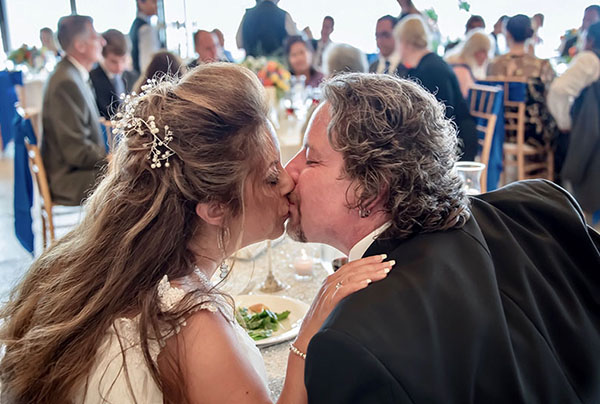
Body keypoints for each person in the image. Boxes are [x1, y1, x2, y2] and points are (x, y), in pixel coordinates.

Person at [0, 63, 391, 403]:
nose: (289, 182)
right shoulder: (194, 325)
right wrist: (305, 340)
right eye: (271, 178)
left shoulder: (98, 268)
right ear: (214, 208)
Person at [284, 72, 600, 403]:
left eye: (310, 158)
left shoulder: (349, 343)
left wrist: (301, 349)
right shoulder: (540, 205)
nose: (288, 170)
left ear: (371, 190)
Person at [40, 15, 107, 206]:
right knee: (136, 177)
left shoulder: (72, 74)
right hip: (69, 178)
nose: (102, 41)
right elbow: (76, 152)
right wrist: (113, 159)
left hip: (77, 170)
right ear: (80, 45)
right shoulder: (66, 82)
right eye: (96, 37)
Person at [395, 15, 477, 161]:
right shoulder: (426, 65)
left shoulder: (431, 69)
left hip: (456, 142)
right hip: (446, 135)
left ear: (405, 42)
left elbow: (444, 116)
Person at [488, 14, 557, 146]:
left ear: (507, 33)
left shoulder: (493, 64)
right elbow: (550, 100)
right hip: (531, 132)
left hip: (496, 129)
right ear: (530, 34)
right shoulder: (542, 66)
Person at [548, 21, 600, 179]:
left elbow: (559, 90)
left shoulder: (589, 59)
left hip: (588, 131)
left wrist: (564, 122)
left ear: (590, 40)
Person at [90, 29, 139, 119]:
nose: (119, 67)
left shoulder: (134, 77)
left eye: (123, 60)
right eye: (113, 61)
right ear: (102, 55)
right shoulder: (91, 80)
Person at [445, 30, 492, 98]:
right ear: (474, 50)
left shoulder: (456, 62)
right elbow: (463, 101)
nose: (486, 56)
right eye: (483, 51)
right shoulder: (462, 70)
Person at [129, 0, 162, 74]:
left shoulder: (135, 25)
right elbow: (148, 64)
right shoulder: (146, 29)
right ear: (140, 2)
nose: (157, 5)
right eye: (153, 2)